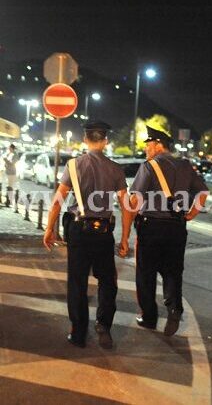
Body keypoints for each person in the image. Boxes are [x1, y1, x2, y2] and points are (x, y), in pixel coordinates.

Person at [43, 121, 131, 349]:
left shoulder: (73, 166)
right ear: (105, 142)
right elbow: (126, 206)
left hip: (78, 231)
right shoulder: (115, 169)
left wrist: (49, 228)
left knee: (77, 282)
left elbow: (57, 201)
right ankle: (104, 326)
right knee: (108, 281)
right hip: (103, 233)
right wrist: (125, 239)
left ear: (85, 140)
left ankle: (78, 332)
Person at [125, 125, 208, 336]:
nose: (146, 150)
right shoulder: (186, 165)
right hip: (176, 228)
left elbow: (134, 201)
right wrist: (190, 214)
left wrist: (125, 234)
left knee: (146, 273)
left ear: (158, 145)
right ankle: (173, 308)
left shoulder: (149, 166)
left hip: (151, 227)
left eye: (148, 145)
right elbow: (203, 193)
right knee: (173, 271)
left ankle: (149, 317)